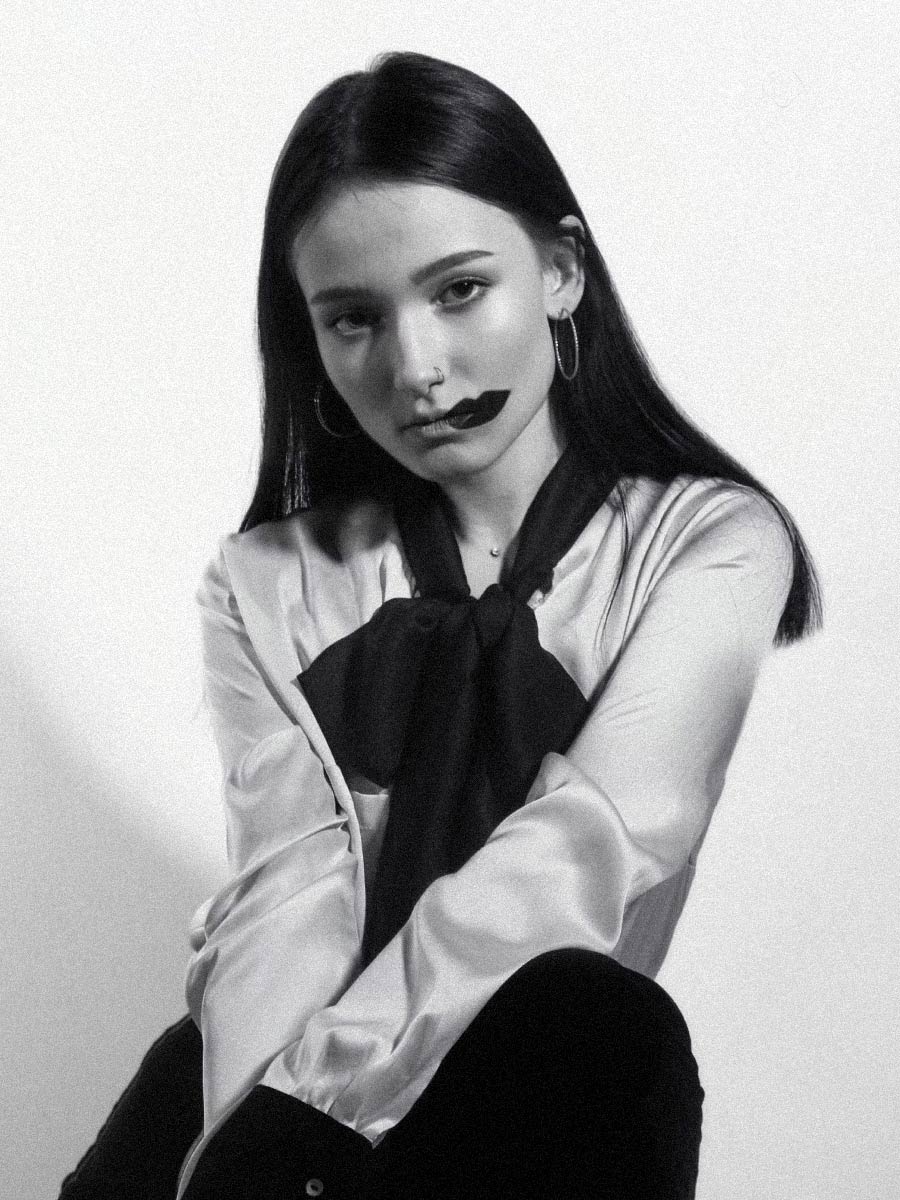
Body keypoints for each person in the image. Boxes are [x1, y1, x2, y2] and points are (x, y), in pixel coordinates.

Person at [60, 51, 821, 1200]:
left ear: (561, 271)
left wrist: (316, 1106)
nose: (415, 368)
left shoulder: (712, 543)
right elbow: (291, 897)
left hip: (536, 1087)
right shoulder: (265, 583)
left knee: (598, 1019)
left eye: (459, 290)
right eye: (354, 319)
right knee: (193, 1072)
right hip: (297, 1077)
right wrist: (257, 1139)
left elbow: (587, 846)